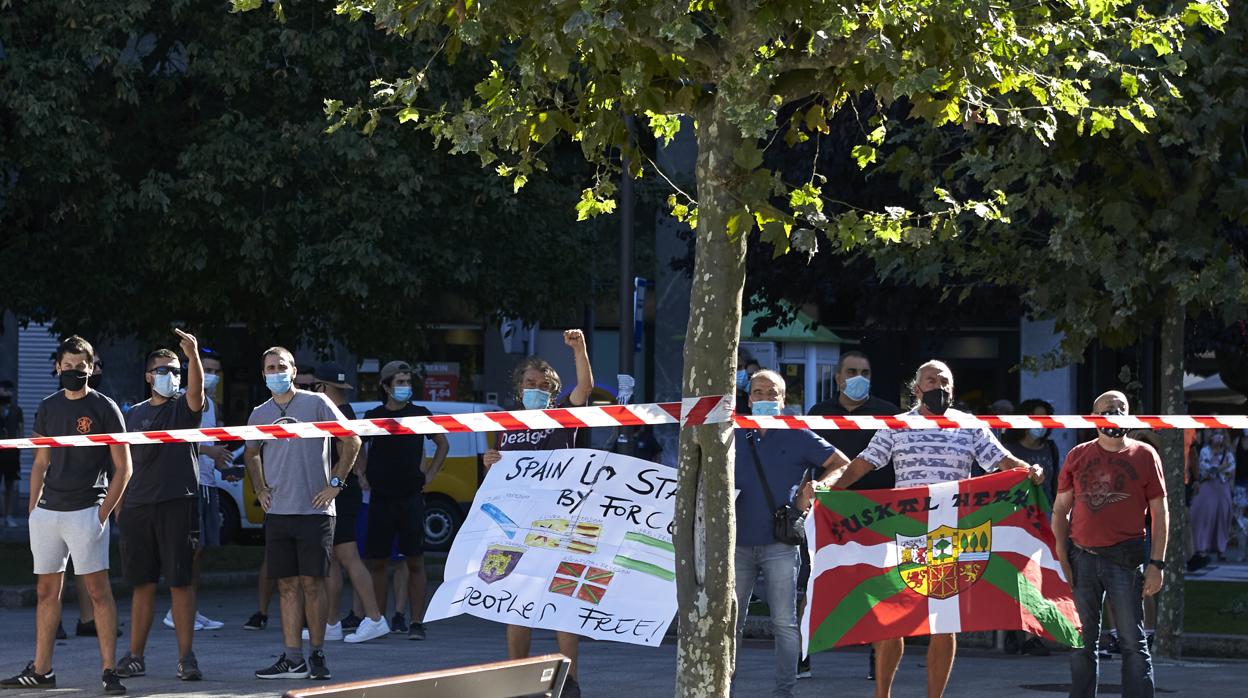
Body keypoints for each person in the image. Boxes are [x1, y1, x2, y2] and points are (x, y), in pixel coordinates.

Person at [816, 360, 1044, 698]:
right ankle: (883, 694)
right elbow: (862, 464)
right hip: (905, 531)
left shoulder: (971, 425)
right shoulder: (897, 425)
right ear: (917, 388)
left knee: (944, 621)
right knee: (892, 619)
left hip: (952, 533)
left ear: (953, 387)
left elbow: (1000, 460)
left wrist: (1030, 470)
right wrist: (829, 490)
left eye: (945, 380)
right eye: (930, 380)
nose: (938, 385)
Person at [2, 336, 132, 694]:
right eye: (68, 366)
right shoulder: (47, 406)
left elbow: (125, 467)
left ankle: (109, 670)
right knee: (46, 591)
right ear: (58, 366)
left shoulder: (106, 408)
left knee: (97, 590)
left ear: (91, 368)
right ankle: (41, 669)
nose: (74, 372)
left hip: (87, 509)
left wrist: (102, 512)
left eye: (81, 367)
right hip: (48, 513)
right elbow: (40, 461)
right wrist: (32, 508)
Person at [482, 330, 592, 698]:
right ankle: (517, 676)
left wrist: (579, 349)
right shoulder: (507, 423)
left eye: (542, 385)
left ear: (552, 390)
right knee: (514, 602)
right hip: (511, 524)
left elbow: (585, 388)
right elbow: (498, 474)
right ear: (519, 387)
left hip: (556, 522)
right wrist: (490, 462)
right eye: (529, 383)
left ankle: (569, 680)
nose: (535, 388)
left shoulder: (562, 416)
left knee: (561, 600)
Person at [244, 348, 361, 681]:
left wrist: (336, 483)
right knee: (287, 587)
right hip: (278, 511)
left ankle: (317, 653)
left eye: (282, 366)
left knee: (313, 584)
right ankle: (292, 658)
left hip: (316, 510)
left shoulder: (317, 404)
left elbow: (351, 441)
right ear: (263, 373)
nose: (276, 372)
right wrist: (260, 488)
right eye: (270, 367)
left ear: (293, 371)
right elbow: (251, 454)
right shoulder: (259, 414)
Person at [735, 369, 848, 698]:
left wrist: (816, 488)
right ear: (748, 397)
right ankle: (722, 688)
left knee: (784, 622)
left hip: (780, 542)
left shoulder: (797, 432)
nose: (765, 399)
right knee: (731, 623)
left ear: (784, 400)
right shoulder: (734, 430)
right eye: (758, 392)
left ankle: (784, 691)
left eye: (773, 394)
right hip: (735, 542)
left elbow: (841, 462)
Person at [1052, 391, 1167, 698]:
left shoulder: (1145, 455)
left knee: (1132, 643)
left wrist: (1157, 564)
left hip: (1125, 559)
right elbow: (1060, 509)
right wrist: (1062, 555)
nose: (1114, 414)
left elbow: (1160, 512)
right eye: (1107, 409)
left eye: (1120, 409)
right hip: (1082, 558)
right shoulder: (1077, 455)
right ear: (1093, 417)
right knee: (1081, 643)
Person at [115, 331, 207, 681]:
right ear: (148, 376)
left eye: (175, 370)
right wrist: (120, 505)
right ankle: (135, 656)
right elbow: (121, 464)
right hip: (138, 507)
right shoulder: (132, 415)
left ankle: (187, 657)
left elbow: (197, 393)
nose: (169, 376)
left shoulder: (184, 407)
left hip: (177, 503)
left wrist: (193, 355)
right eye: (162, 370)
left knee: (181, 582)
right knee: (142, 584)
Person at [807, 351, 899, 679]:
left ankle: (878, 659)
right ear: (837, 378)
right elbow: (808, 460)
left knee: (878, 587)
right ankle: (804, 654)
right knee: (817, 582)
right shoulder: (819, 413)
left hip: (877, 512)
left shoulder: (889, 413)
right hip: (830, 512)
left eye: (865, 371)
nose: (858, 376)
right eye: (851, 371)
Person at [360, 361, 450, 641]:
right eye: (399, 382)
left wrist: (431, 473)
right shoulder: (374, 416)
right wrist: (361, 472)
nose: (405, 387)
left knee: (414, 561)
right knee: (377, 562)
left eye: (407, 382)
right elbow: (354, 444)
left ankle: (417, 622)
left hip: (411, 496)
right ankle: (377, 620)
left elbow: (442, 443)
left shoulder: (420, 414)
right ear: (386, 386)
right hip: (380, 497)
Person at [303, 361, 390, 643]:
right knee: (332, 560)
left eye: (314, 386)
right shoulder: (344, 412)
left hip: (339, 493)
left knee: (348, 558)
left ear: (322, 387)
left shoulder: (338, 415)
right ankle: (330, 623)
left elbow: (348, 457)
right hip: (339, 492)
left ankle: (375, 618)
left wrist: (334, 487)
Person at [1000, 398, 1061, 656]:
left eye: (1045, 420)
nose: (1040, 426)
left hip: (1043, 516)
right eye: (1036, 419)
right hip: (1014, 518)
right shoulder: (1008, 449)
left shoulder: (1052, 448)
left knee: (1038, 575)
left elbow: (1055, 483)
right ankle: (1013, 633)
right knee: (1014, 575)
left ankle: (1030, 633)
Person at [176, 350, 228, 633]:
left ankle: (191, 610)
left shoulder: (213, 406)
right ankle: (179, 611)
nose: (213, 376)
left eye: (217, 371)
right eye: (207, 369)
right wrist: (210, 450)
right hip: (189, 484)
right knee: (191, 550)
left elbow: (210, 445)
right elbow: (177, 441)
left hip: (208, 483)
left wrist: (219, 459)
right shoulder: (184, 400)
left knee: (201, 551)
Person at [1191, 429, 1237, 562]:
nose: (1218, 438)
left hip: (1222, 487)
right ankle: (1201, 547)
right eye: (1215, 434)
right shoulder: (1205, 450)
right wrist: (1221, 467)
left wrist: (1220, 468)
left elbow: (1231, 467)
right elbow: (1206, 466)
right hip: (1207, 486)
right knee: (1204, 516)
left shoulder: (1228, 453)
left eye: (1221, 435)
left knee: (1223, 516)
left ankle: (1221, 549)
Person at [0, 380, 23, 528]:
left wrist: (19, 448)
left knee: (10, 487)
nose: (7, 393)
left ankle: (8, 516)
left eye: (9, 390)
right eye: (4, 390)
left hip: (12, 454)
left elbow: (20, 430)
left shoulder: (17, 410)